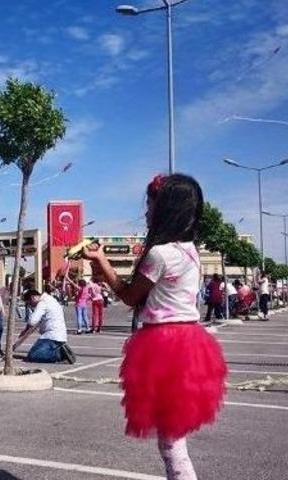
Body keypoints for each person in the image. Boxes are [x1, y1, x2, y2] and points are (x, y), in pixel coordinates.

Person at [80, 173, 226, 480]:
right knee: (173, 440)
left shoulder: (160, 254)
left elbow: (131, 298)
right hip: (190, 343)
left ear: (166, 210)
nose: (145, 212)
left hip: (165, 346)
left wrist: (103, 263)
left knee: (171, 444)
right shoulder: (190, 250)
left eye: (149, 204)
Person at [12, 289, 74, 364]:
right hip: (58, 335)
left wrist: (26, 328)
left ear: (32, 298)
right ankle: (59, 350)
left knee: (33, 355)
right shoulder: (51, 299)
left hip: (51, 336)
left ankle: (59, 354)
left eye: (30, 303)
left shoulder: (43, 303)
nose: (32, 306)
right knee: (36, 352)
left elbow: (32, 321)